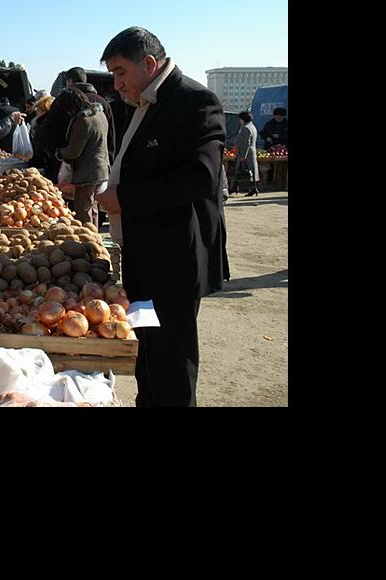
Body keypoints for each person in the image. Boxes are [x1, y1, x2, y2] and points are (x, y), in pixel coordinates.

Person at [95, 27, 228, 407]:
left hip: (173, 264)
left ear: (149, 64)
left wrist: (125, 198)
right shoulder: (138, 102)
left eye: (121, 72)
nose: (116, 83)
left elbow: (200, 177)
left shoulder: (195, 101)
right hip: (142, 260)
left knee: (171, 357)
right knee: (148, 348)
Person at [53, 88, 109, 227]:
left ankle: (87, 242)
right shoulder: (100, 114)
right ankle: (94, 238)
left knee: (83, 210)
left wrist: (59, 153)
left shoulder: (83, 121)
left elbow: (74, 151)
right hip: (101, 168)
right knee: (93, 207)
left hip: (87, 172)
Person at [65, 67, 116, 162]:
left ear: (69, 82)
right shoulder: (104, 103)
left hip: (74, 166)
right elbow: (110, 136)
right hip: (101, 163)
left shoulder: (66, 101)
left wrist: (58, 153)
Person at [233, 111, 260, 197]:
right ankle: (252, 188)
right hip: (251, 152)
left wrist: (243, 155)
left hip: (245, 153)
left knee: (243, 171)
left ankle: (252, 188)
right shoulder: (252, 127)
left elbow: (246, 143)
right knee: (251, 170)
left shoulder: (246, 128)